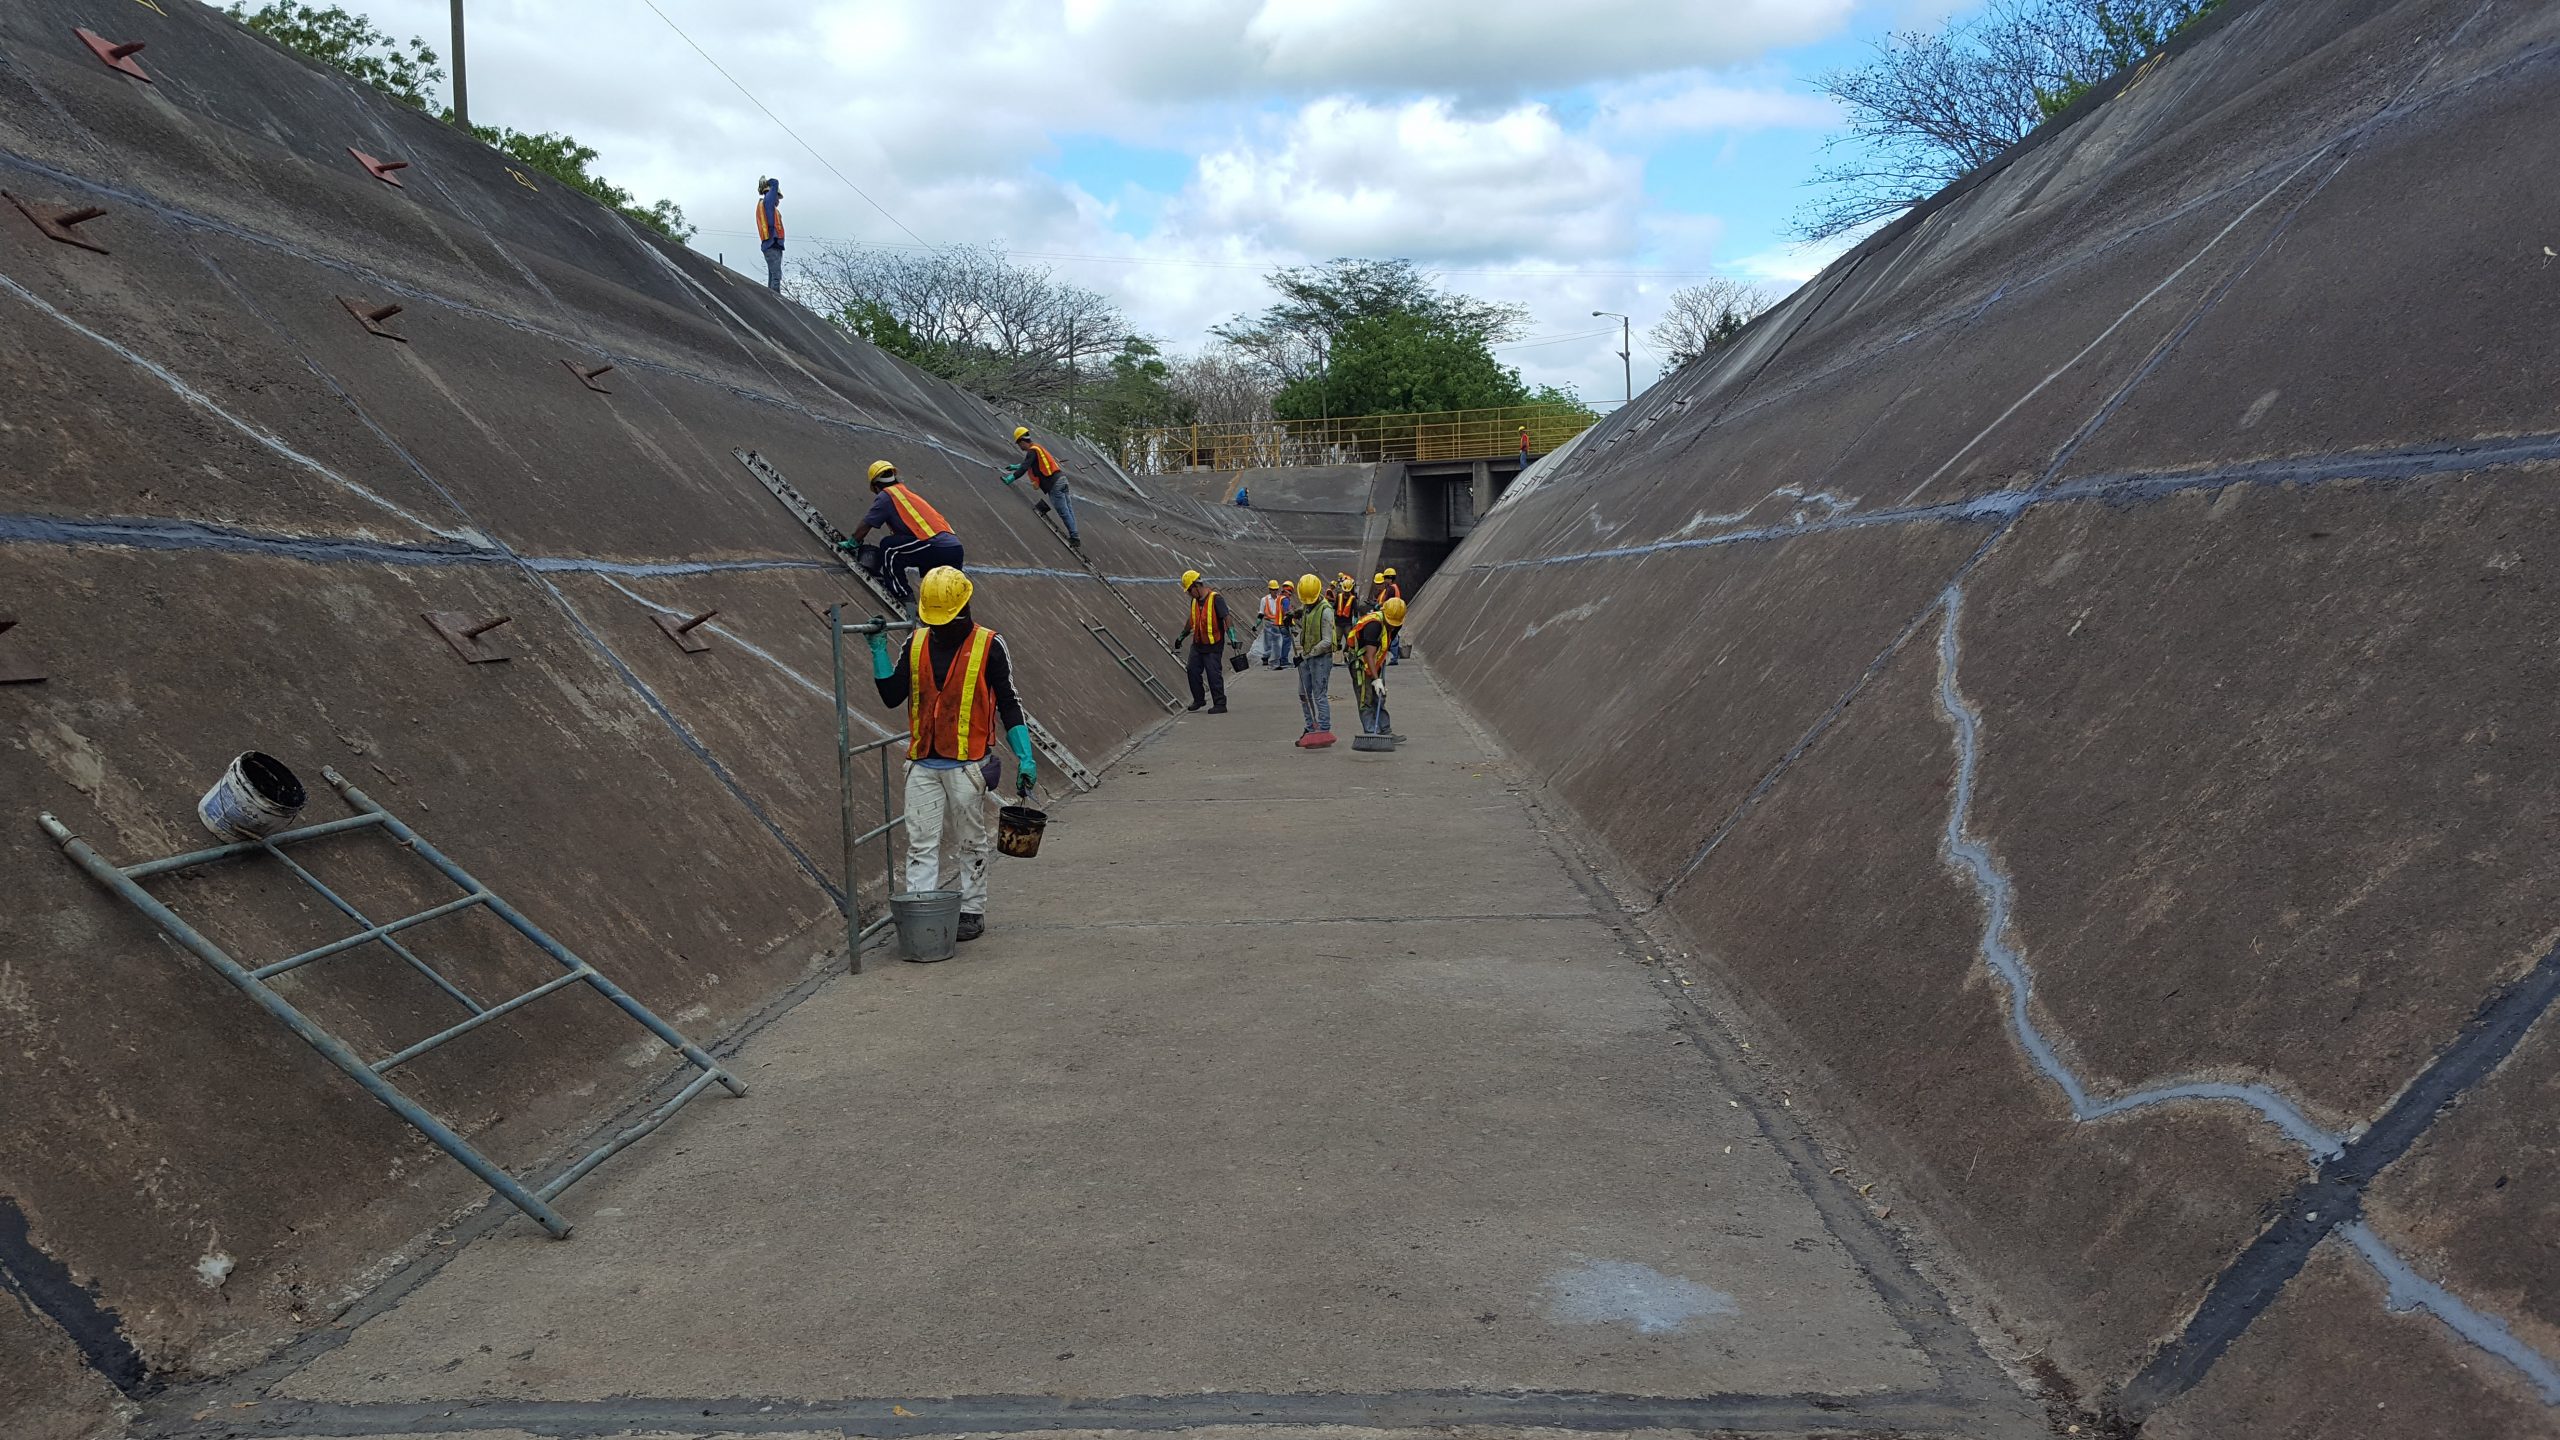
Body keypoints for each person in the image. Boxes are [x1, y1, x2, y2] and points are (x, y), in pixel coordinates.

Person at [868, 567, 1033, 948]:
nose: (941, 627)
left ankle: (972, 911)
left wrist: (1025, 756)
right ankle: (922, 914)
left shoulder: (990, 645)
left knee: (971, 841)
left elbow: (1009, 703)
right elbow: (893, 696)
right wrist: (878, 651)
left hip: (967, 764)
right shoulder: (915, 642)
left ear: (964, 608)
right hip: (923, 763)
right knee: (920, 844)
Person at [839, 461, 963, 608]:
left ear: (875, 486)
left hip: (934, 545)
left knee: (890, 548)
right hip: (954, 548)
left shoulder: (887, 496)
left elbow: (867, 524)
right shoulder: (906, 494)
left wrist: (853, 542)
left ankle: (903, 595)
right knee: (940, 587)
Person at [1000, 426, 1080, 548]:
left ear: (1022, 441)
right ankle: (1075, 534)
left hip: (1054, 484)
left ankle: (1074, 538)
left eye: (1018, 443)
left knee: (1063, 512)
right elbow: (1031, 464)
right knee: (1068, 510)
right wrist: (1015, 466)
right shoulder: (1037, 448)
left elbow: (1025, 468)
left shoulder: (1032, 451)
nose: (1019, 447)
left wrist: (1011, 478)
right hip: (1062, 480)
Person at [1177, 570, 1238, 712]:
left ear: (1197, 586)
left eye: (1190, 590)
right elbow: (1191, 620)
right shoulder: (1194, 601)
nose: (1189, 593)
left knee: (1213, 674)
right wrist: (1181, 636)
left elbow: (1226, 617)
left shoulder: (1216, 599)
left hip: (1213, 644)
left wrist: (1233, 636)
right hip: (1198, 644)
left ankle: (1220, 704)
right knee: (1192, 670)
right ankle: (1199, 700)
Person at [1290, 573, 1338, 747]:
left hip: (1320, 659)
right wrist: (1294, 617)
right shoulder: (1308, 606)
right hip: (1307, 656)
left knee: (1319, 695)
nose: (1307, 602)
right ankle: (1311, 728)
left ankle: (1324, 729)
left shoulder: (1326, 611)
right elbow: (1307, 617)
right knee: (1303, 694)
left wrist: (1305, 655)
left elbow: (1326, 642)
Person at [1349, 597, 1406, 738]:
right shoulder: (1373, 625)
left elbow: (1385, 642)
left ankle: (1385, 731)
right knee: (1366, 698)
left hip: (1376, 661)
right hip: (1360, 662)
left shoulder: (1395, 621)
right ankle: (1371, 733)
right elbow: (1369, 655)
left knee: (1379, 697)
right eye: (1390, 623)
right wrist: (1376, 680)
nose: (1393, 626)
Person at [755, 177, 785, 293]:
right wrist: (767, 183)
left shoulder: (772, 209)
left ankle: (771, 295)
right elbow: (775, 182)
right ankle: (776, 297)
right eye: (777, 196)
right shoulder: (767, 202)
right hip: (771, 243)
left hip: (774, 244)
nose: (778, 200)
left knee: (773, 274)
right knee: (776, 275)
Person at [1257, 580, 1293, 668]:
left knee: (1277, 642)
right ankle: (1267, 657)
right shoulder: (1264, 600)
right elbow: (1261, 613)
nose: (1275, 591)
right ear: (1269, 590)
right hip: (1268, 622)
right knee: (1268, 641)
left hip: (1277, 622)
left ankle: (1275, 659)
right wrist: (1256, 625)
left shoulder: (1279, 598)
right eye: (1273, 589)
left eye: (1276, 589)